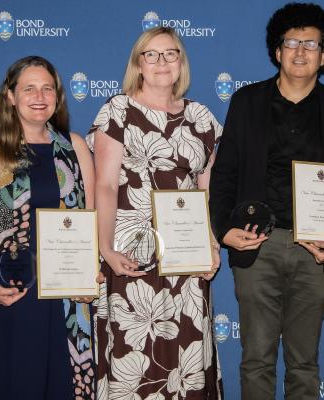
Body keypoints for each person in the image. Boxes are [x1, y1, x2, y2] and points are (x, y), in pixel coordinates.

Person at [208, 3, 324, 399]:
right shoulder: (246, 103)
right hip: (257, 244)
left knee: (304, 362)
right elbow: (224, 174)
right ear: (277, 51)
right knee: (256, 358)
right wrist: (224, 229)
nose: (300, 51)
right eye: (291, 42)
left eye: (311, 44)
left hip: (315, 249)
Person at [88, 26, 222, 399]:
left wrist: (211, 245)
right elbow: (104, 185)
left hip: (186, 258)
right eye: (152, 54)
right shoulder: (118, 110)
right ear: (138, 64)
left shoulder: (202, 117)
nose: (162, 62)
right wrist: (106, 249)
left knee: (187, 354)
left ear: (181, 62)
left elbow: (206, 191)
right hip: (131, 251)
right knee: (136, 354)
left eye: (171, 53)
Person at [0, 55, 97, 399]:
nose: (39, 97)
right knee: (16, 380)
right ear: (10, 96)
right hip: (14, 290)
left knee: (66, 384)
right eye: (29, 89)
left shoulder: (75, 147)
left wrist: (89, 275)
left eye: (47, 88)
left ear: (58, 95)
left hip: (67, 295)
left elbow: (88, 220)